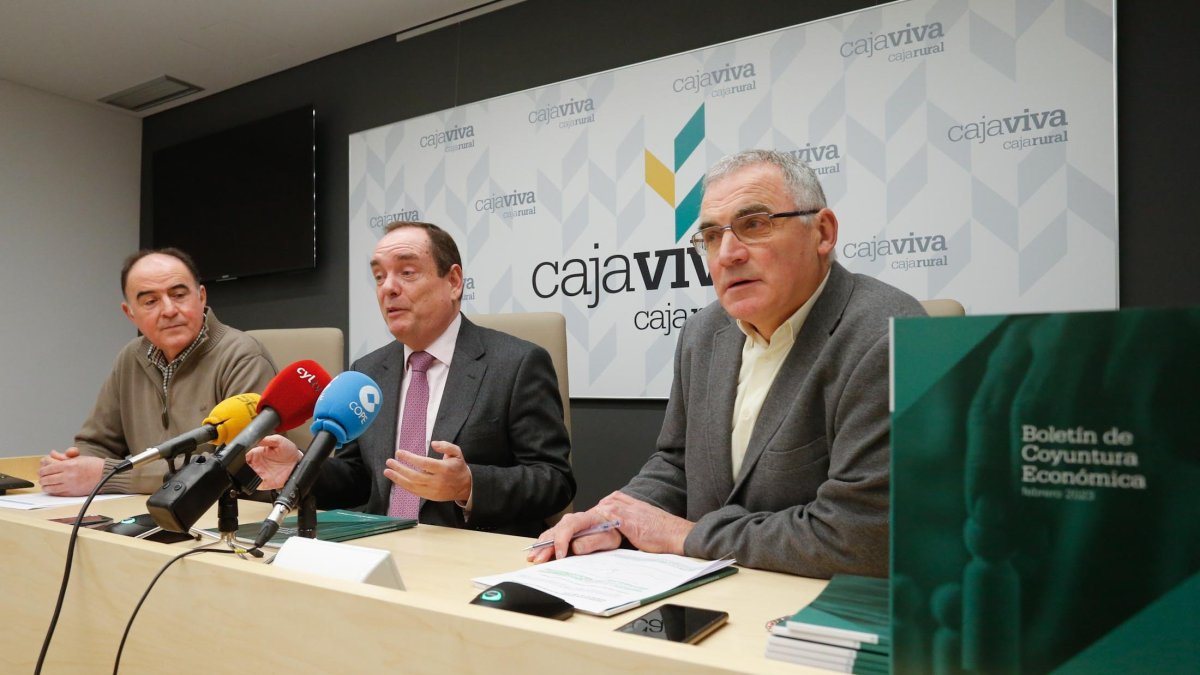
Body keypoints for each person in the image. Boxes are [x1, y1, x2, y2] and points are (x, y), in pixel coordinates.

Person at [530, 149, 926, 578]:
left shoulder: (888, 336)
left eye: (754, 225)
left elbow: (859, 536)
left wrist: (685, 537)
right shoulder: (704, 331)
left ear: (823, 232)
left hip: (816, 611)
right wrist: (614, 516)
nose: (727, 254)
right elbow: (676, 464)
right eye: (712, 237)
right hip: (703, 596)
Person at [247, 222, 574, 537]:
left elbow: (554, 481)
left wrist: (469, 484)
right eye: (379, 276)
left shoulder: (516, 364)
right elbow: (358, 479)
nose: (388, 287)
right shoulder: (367, 372)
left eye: (407, 272)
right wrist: (300, 466)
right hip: (380, 548)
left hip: (469, 556)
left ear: (454, 281)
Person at [37, 248, 278, 496]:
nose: (169, 310)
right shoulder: (131, 358)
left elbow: (243, 465)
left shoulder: (243, 356)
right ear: (130, 313)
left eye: (179, 295)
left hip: (232, 516)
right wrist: (72, 468)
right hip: (152, 509)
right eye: (150, 301)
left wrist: (109, 476)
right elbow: (96, 443)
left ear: (202, 296)